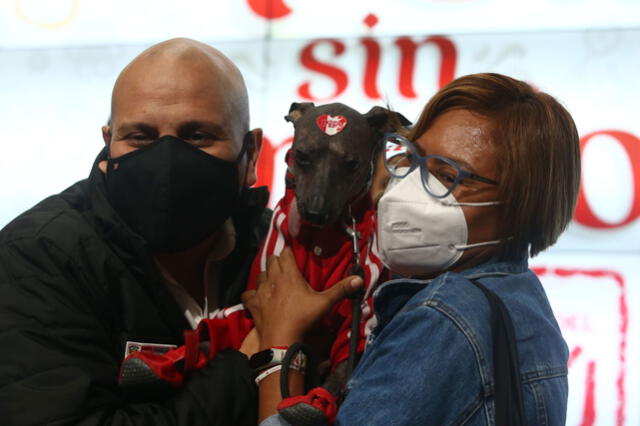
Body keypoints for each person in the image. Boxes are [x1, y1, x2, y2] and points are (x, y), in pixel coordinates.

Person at [243, 73, 580, 425]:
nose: (410, 187)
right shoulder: (523, 300)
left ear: (518, 206)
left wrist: (280, 349)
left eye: (448, 176)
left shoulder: (442, 320)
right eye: (413, 159)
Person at [0, 38, 270, 425]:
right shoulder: (39, 257)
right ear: (109, 145)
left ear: (252, 154)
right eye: (140, 137)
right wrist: (252, 361)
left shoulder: (280, 254)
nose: (168, 163)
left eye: (197, 136)